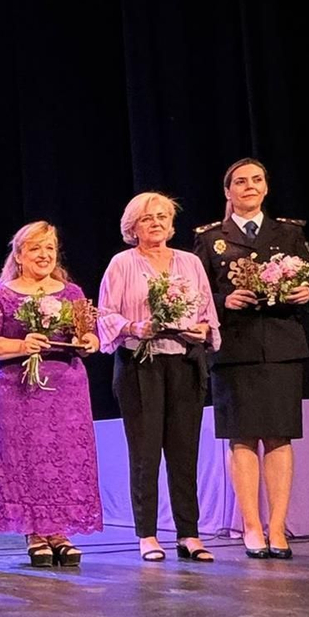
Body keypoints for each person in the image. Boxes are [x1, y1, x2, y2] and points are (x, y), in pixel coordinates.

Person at [193, 158, 309, 560]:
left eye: (256, 180)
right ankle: (251, 527)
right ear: (228, 192)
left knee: (278, 436)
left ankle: (277, 529)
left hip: (281, 346)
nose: (249, 186)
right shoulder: (209, 239)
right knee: (242, 437)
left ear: (266, 188)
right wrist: (224, 300)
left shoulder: (288, 233)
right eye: (240, 181)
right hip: (234, 349)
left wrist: (308, 294)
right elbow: (196, 296)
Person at [97, 192, 221, 563]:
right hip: (141, 364)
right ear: (132, 227)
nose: (157, 223)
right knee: (146, 454)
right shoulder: (122, 264)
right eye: (148, 218)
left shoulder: (189, 262)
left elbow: (208, 313)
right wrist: (135, 325)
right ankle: (148, 535)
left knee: (185, 453)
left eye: (163, 217)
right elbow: (105, 315)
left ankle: (189, 534)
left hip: (183, 361)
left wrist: (203, 330)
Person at [0, 221, 102, 566]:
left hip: (66, 392)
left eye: (50, 248)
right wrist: (21, 344)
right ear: (19, 254)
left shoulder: (71, 293)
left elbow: (87, 334)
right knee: (27, 460)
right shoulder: (1, 294)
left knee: (64, 459)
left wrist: (90, 341)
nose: (44, 255)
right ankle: (35, 532)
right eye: (35, 248)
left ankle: (59, 531)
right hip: (19, 390)